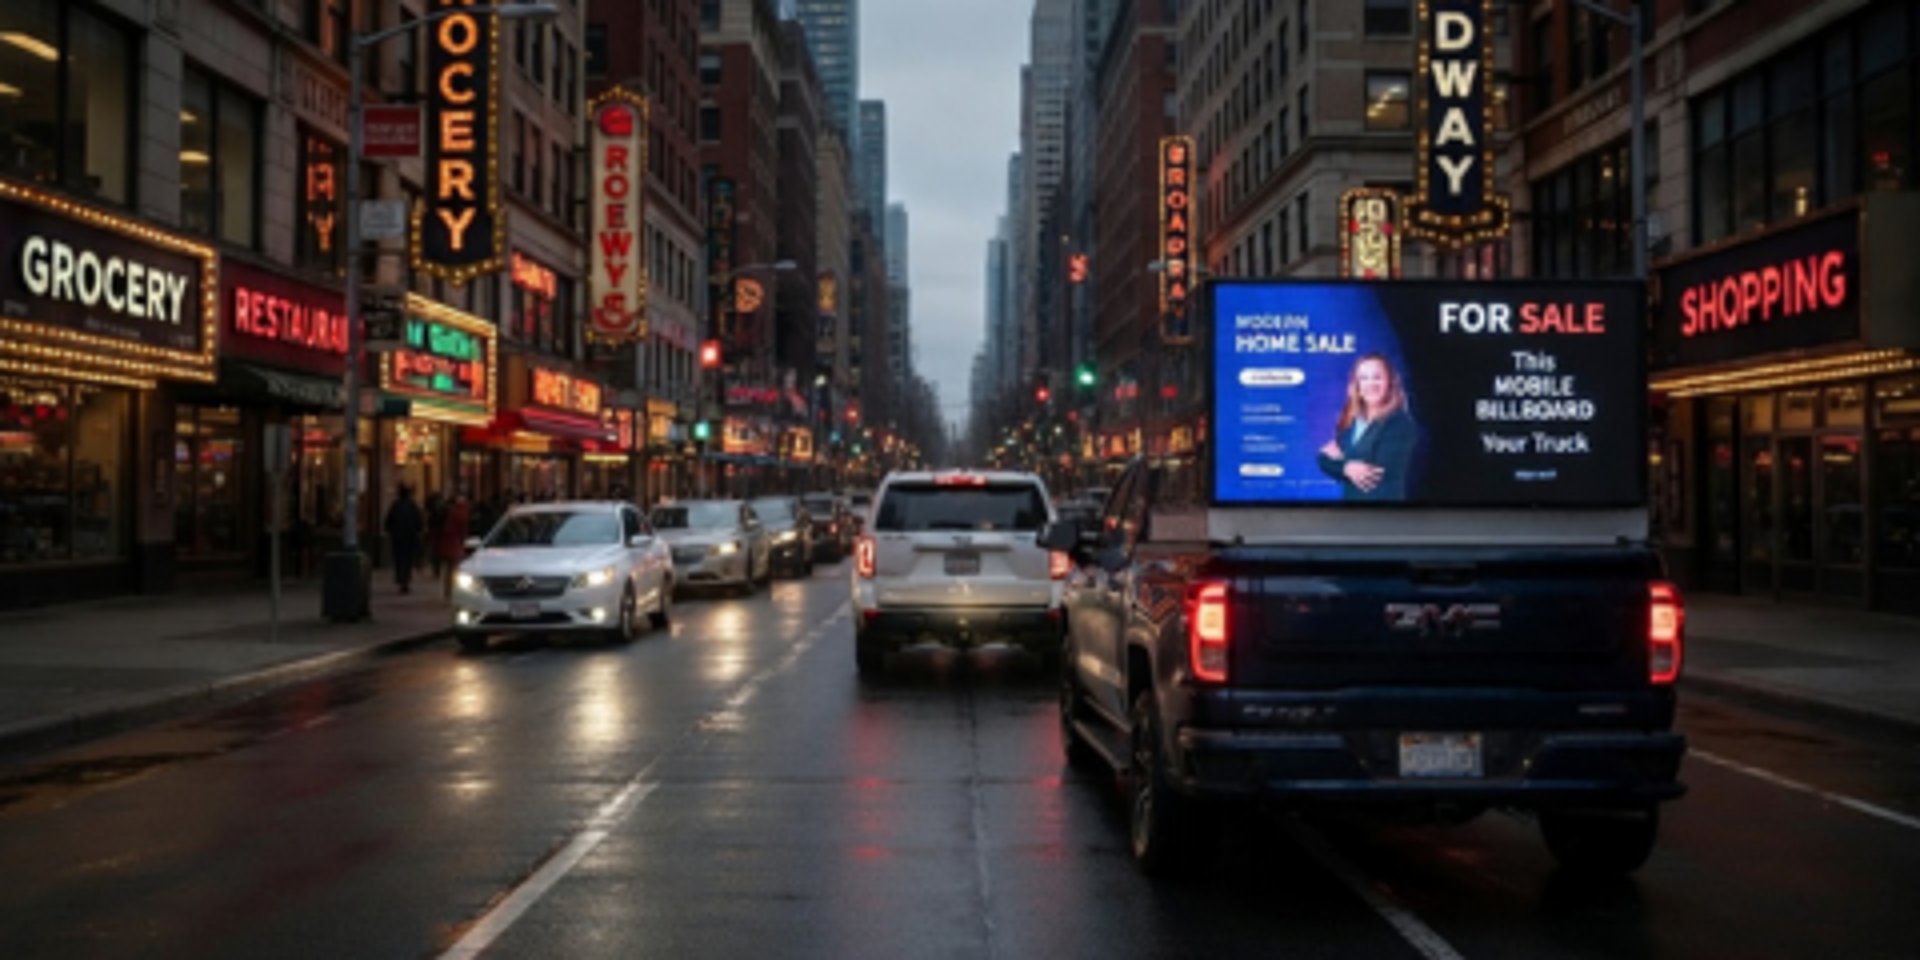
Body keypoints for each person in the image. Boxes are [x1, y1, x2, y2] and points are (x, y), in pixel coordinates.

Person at [1316, 354, 1419, 502]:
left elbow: (1373, 474)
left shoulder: (1399, 424)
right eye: (1364, 378)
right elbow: (1323, 459)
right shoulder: (1352, 422)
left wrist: (1341, 462)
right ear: (1357, 385)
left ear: (1390, 382)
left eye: (1377, 377)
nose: (1371, 384)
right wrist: (1346, 467)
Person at [384, 485, 425, 594]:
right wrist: (418, 531)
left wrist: (390, 530)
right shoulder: (413, 506)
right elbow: (419, 522)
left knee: (399, 558)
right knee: (408, 559)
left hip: (398, 537)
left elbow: (388, 521)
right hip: (410, 537)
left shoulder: (395, 506)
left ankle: (400, 577)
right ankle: (405, 580)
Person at [436, 490, 472, 599]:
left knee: (449, 569)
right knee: (456, 569)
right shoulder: (462, 513)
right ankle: (453, 592)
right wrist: (463, 542)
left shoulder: (452, 511)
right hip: (455, 543)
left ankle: (448, 592)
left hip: (446, 541)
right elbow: (463, 530)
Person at [424, 491, 447, 578]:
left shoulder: (431, 510)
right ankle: (437, 568)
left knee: (434, 551)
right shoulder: (443, 509)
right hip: (440, 532)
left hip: (434, 531)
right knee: (438, 551)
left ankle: (436, 569)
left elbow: (429, 520)